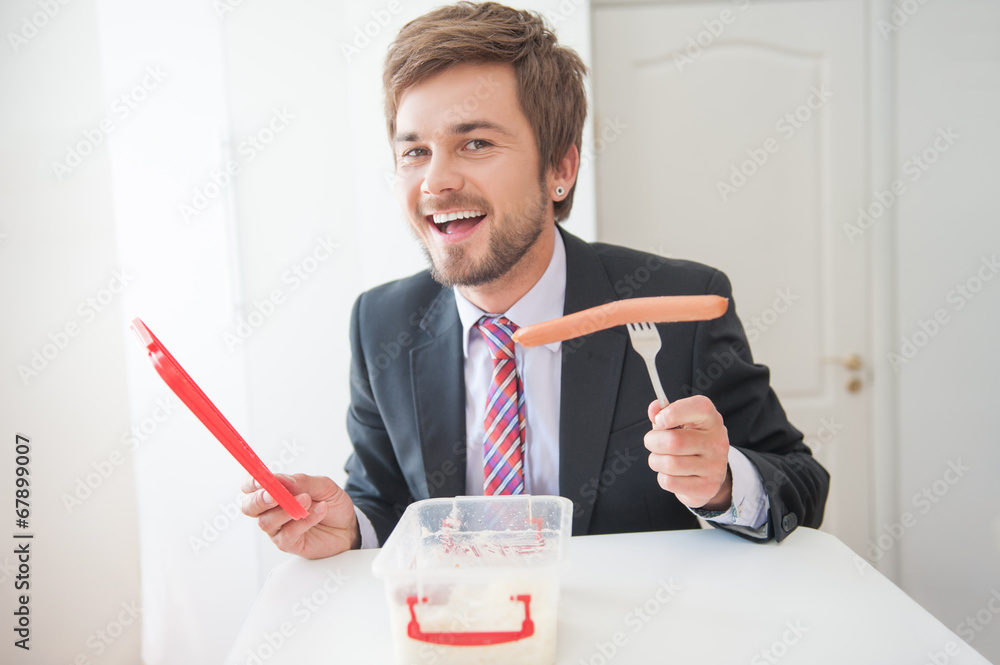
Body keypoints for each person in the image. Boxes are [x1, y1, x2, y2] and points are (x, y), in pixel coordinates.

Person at [240, 1, 829, 558]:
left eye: (475, 143)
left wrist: (724, 482)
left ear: (560, 169)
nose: (435, 182)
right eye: (414, 152)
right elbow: (389, 503)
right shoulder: (380, 323)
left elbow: (803, 483)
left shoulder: (676, 310)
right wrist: (351, 528)